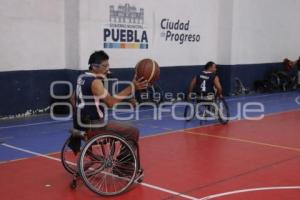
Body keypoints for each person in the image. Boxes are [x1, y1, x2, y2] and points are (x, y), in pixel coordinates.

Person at [69, 50, 148, 153]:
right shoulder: (96, 82)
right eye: (104, 66)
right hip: (96, 126)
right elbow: (111, 103)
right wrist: (132, 87)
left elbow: (72, 98)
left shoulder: (82, 78)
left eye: (108, 66)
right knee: (133, 131)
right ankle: (125, 165)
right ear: (94, 66)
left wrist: (80, 115)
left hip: (81, 125)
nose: (108, 69)